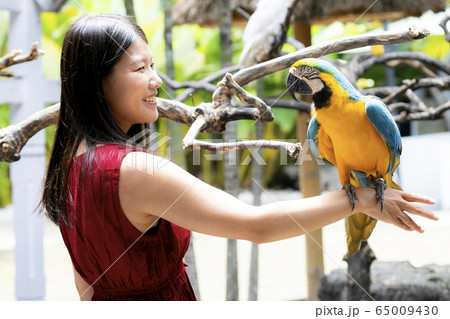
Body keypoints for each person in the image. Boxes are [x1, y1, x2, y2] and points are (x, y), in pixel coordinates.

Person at [40, 13, 438, 301]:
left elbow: (87, 288)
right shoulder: (135, 171)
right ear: (97, 86)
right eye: (139, 68)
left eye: (154, 64)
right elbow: (257, 226)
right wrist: (361, 199)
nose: (156, 80)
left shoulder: (68, 165)